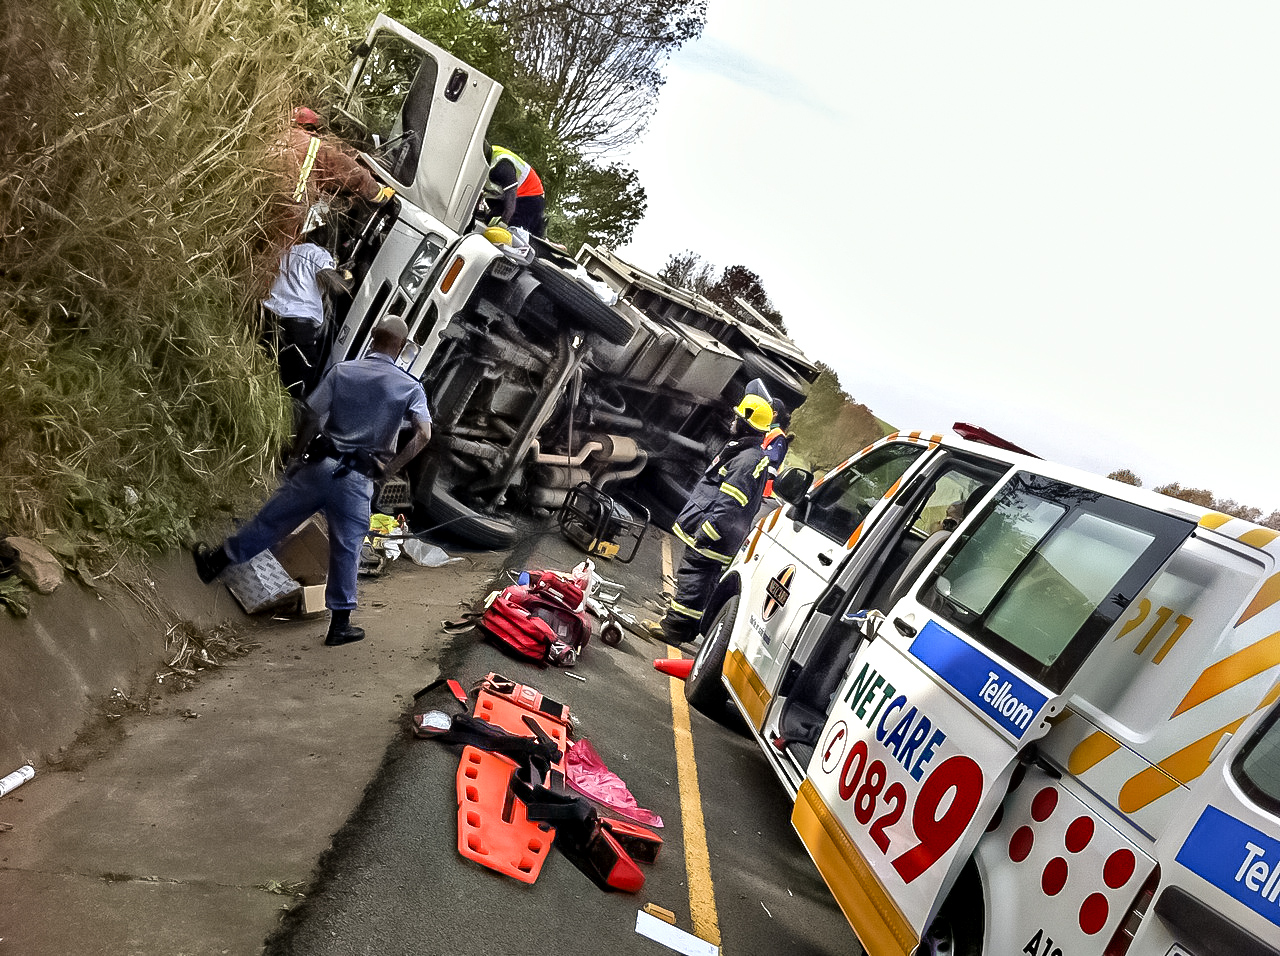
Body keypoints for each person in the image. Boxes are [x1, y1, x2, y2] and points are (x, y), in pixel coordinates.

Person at [192, 317, 432, 647]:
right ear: (402, 348)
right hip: (357, 480)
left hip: (320, 466)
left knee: (272, 521)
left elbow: (310, 414)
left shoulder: (343, 372)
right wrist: (389, 470)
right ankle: (340, 626)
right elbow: (424, 434)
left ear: (373, 339)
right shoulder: (409, 387)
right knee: (346, 550)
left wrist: (296, 457)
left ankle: (215, 563)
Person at [652, 393, 774, 646]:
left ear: (747, 423)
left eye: (738, 417)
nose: (733, 420)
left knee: (693, 579)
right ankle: (684, 628)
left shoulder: (746, 459)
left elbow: (730, 503)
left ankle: (673, 629)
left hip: (714, 535)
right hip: (719, 534)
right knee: (701, 581)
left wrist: (709, 531)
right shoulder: (744, 453)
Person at [271, 106, 395, 245]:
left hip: (271, 202)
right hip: (288, 211)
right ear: (312, 127)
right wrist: (381, 196)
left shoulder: (281, 137)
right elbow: (356, 175)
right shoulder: (315, 146)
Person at [261, 234, 352, 398]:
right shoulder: (318, 254)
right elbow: (335, 285)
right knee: (298, 382)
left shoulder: (289, 251)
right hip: (298, 328)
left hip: (270, 318)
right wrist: (348, 282)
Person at [485, 144, 547, 238]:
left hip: (532, 197)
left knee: (511, 232)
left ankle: (541, 240)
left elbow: (510, 203)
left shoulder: (501, 166)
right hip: (511, 195)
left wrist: (503, 224)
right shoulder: (488, 157)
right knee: (488, 220)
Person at [759, 402, 792, 502]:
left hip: (762, 493)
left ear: (774, 414)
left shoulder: (778, 436)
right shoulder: (768, 431)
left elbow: (770, 467)